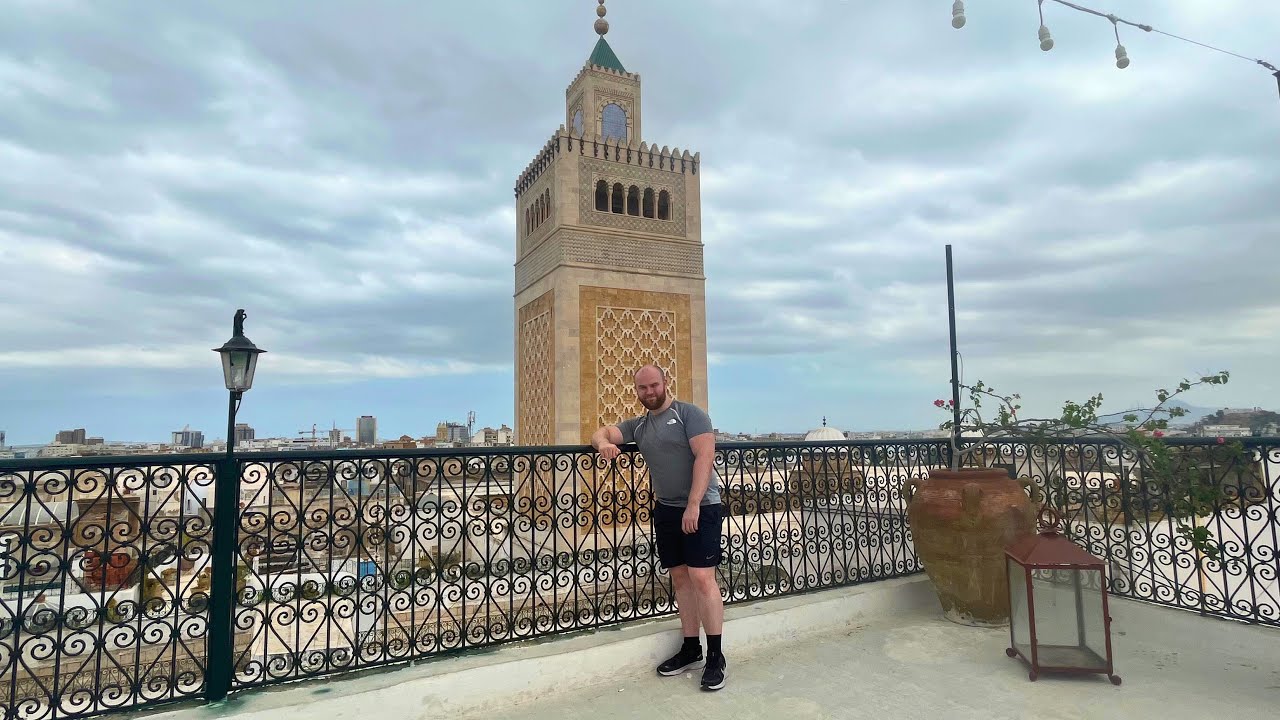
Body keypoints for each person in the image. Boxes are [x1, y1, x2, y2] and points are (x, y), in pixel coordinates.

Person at [590, 363, 726, 692]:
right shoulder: (639, 425)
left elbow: (705, 457)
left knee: (702, 577)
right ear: (636, 391)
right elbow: (602, 432)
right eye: (643, 388)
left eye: (654, 385)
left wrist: (693, 504)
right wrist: (602, 444)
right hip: (666, 509)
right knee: (680, 578)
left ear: (666, 383)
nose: (649, 392)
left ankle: (715, 656)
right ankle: (691, 649)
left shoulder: (690, 414)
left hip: (701, 507)